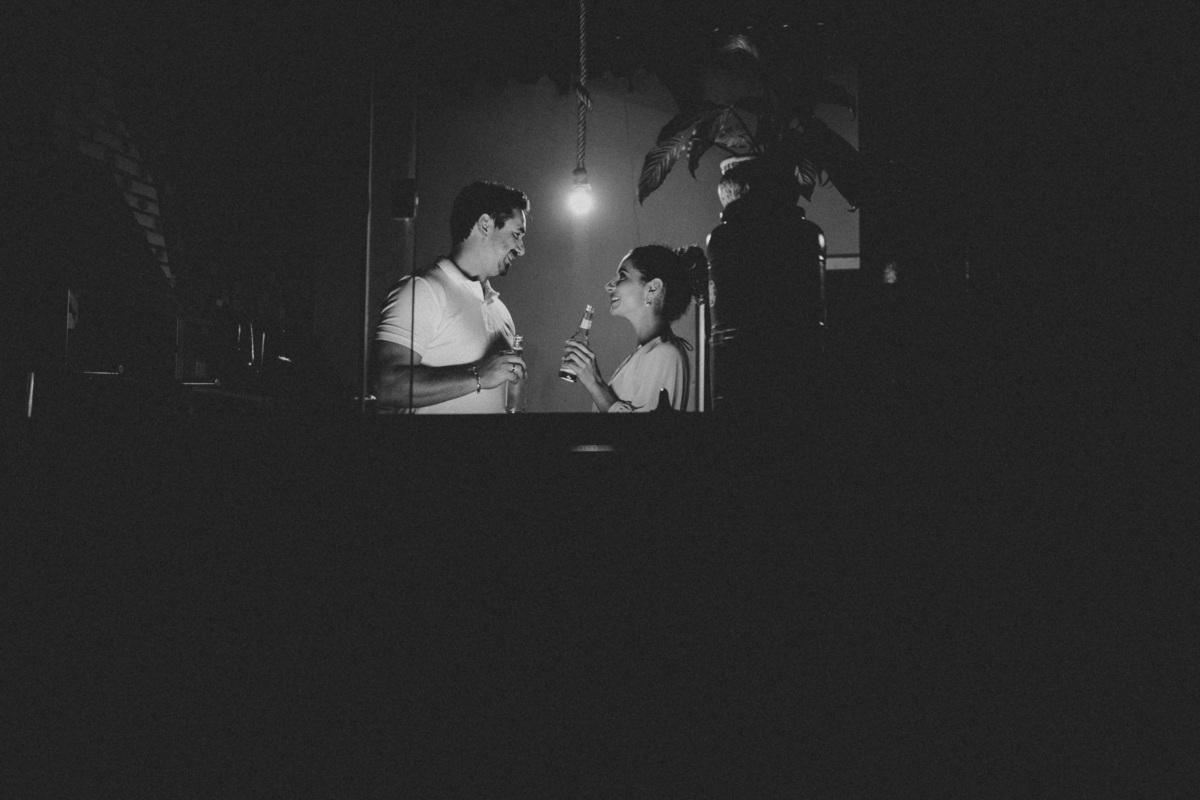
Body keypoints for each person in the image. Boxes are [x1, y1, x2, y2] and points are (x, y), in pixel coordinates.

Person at [373, 180, 529, 413]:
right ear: (485, 224)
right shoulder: (422, 290)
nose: (521, 249)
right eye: (516, 234)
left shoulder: (501, 311)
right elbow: (386, 386)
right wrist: (479, 375)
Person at [560, 244, 704, 412]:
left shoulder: (666, 353)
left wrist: (594, 383)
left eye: (622, 276)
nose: (608, 286)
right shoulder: (644, 353)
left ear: (652, 288)